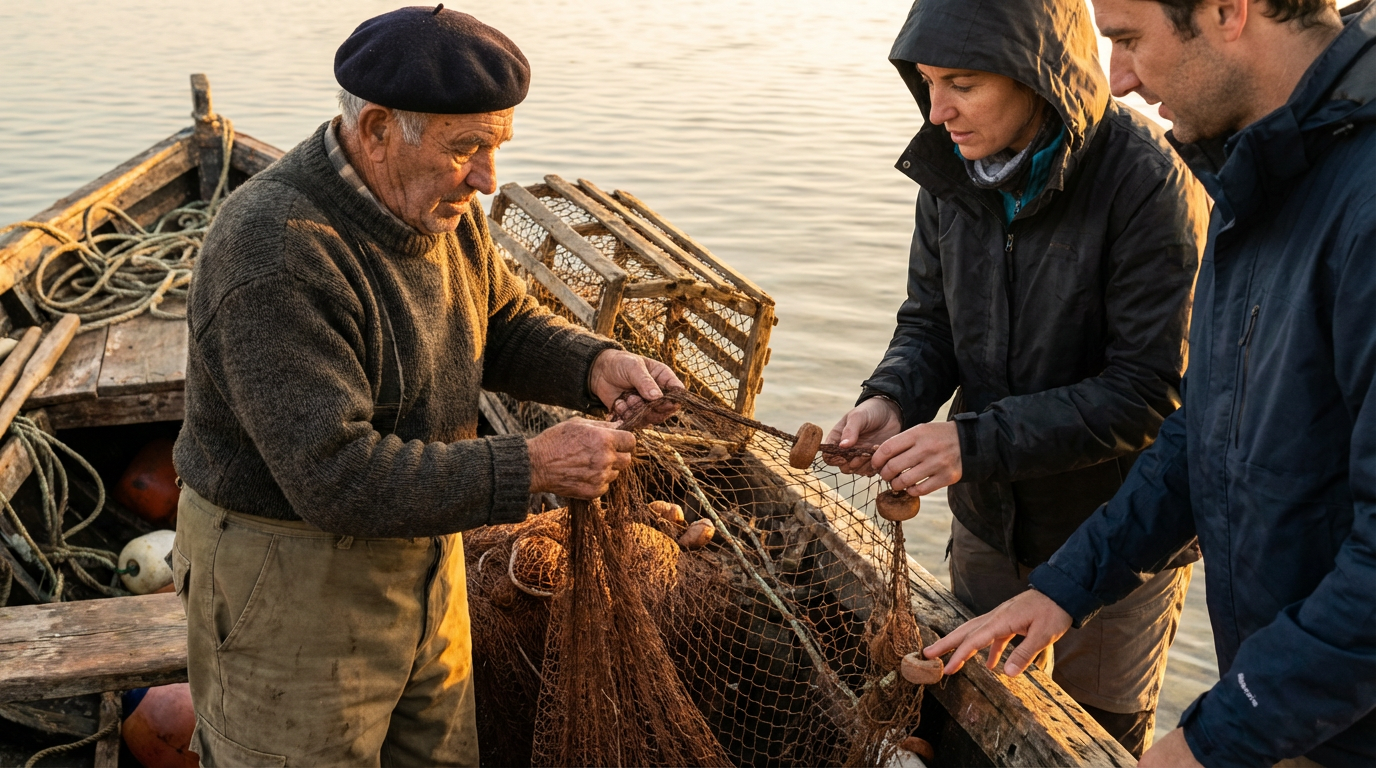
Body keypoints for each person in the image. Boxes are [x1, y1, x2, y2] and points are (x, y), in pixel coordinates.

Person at [170, 7, 681, 766]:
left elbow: (499, 320)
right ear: (376, 128)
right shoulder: (274, 250)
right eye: (465, 148)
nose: (486, 178)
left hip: (427, 553)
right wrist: (532, 466)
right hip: (287, 576)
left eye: (496, 145)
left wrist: (593, 364)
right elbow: (334, 475)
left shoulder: (446, 208)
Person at [926, 0, 1376, 765]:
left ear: (1229, 11)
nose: (1118, 79)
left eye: (1130, 40)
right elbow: (1204, 430)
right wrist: (1064, 589)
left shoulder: (1358, 204)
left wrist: (1212, 739)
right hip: (1291, 709)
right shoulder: (1260, 172)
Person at [824, 0, 1209, 755]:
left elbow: (1152, 390)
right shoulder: (947, 169)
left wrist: (972, 442)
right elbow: (929, 321)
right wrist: (891, 397)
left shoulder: (1149, 181)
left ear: (1037, 76)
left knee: (1090, 740)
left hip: (1119, 536)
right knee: (968, 720)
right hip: (988, 525)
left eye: (961, 83)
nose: (938, 112)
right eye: (928, 82)